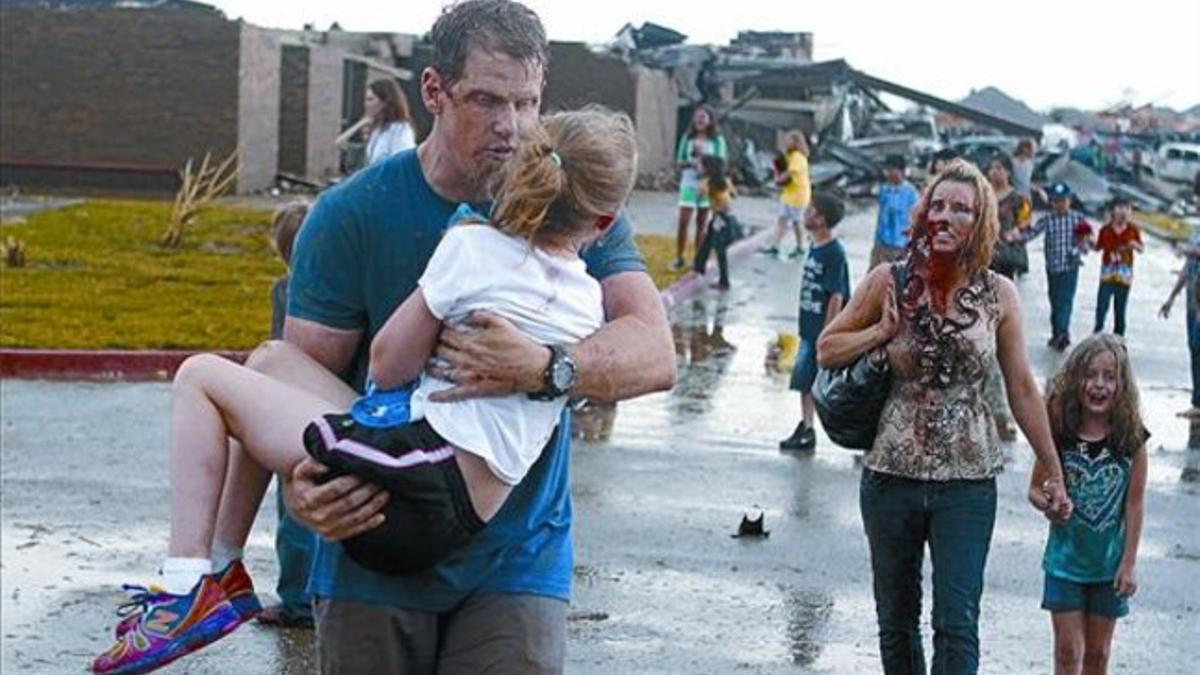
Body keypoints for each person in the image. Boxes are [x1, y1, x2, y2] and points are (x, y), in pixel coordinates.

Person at [90, 107, 641, 675]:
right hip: (465, 494)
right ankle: (224, 573)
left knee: (201, 377)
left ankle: (187, 584)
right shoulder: (588, 304)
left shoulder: (473, 248)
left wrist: (443, 291)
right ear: (603, 223)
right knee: (270, 360)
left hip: (419, 484)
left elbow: (387, 366)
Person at [270, 2, 675, 672]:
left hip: (516, 557)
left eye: (527, 102)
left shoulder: (569, 204)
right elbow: (298, 379)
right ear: (434, 90)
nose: (512, 128)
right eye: (487, 100)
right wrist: (301, 485)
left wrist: (548, 367)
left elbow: (655, 352)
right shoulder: (349, 216)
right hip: (373, 538)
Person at [817, 159, 1073, 674]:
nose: (948, 216)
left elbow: (1021, 385)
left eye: (962, 208)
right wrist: (878, 333)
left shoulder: (999, 293)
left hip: (968, 482)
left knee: (957, 624)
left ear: (980, 222)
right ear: (923, 213)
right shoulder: (888, 279)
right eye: (939, 205)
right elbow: (827, 348)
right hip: (891, 475)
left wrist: (1052, 467)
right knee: (896, 621)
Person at [1029, 334, 1147, 675]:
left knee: (1098, 655)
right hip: (1064, 563)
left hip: (1108, 567)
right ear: (1075, 378)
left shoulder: (1131, 437)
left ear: (1122, 384)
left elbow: (1135, 504)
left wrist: (1128, 564)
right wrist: (1048, 504)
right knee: (1067, 653)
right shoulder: (1061, 430)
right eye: (1090, 375)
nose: (1099, 385)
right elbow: (1035, 489)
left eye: (1109, 377)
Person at [264, 202, 318, 628]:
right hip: (326, 403)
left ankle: (297, 600)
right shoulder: (334, 287)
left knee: (293, 511)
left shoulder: (284, 289)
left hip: (289, 406)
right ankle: (318, 596)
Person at [779, 191, 849, 451]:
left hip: (820, 330)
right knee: (804, 380)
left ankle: (842, 432)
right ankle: (806, 427)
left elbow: (837, 294)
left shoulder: (834, 252)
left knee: (821, 384)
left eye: (809, 210)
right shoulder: (815, 245)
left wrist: (828, 332)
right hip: (808, 327)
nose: (805, 214)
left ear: (820, 219)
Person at [1009, 182, 1093, 351]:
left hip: (1070, 266)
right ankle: (1056, 333)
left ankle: (1063, 332)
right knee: (1054, 300)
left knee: (1065, 300)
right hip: (1052, 267)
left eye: (1063, 200)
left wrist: (1079, 249)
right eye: (1056, 201)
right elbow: (1032, 233)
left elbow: (1086, 240)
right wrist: (1016, 237)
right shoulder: (1048, 220)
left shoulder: (1077, 219)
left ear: (1069, 200)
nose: (1059, 204)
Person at [671, 105, 727, 270]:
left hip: (707, 185)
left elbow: (721, 163)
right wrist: (690, 163)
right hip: (689, 182)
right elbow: (678, 162)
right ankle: (679, 257)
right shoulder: (687, 139)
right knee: (683, 221)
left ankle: (698, 259)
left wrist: (705, 162)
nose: (700, 120)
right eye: (697, 117)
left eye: (703, 117)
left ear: (710, 120)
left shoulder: (717, 140)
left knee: (701, 223)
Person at [1159, 212, 1200, 419]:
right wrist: (1171, 297)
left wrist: (1193, 251)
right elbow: (1187, 268)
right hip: (1193, 296)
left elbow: (1193, 255)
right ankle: (1197, 402)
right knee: (1194, 347)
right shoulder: (1196, 232)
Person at [1091, 197, 1144, 336]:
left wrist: (1134, 244)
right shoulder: (1105, 230)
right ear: (1113, 211)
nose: (1123, 212)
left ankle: (1119, 336)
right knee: (1102, 304)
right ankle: (1098, 329)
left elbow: (1141, 248)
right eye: (1120, 208)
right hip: (1107, 273)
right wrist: (1087, 241)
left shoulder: (1133, 230)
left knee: (1120, 308)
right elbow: (1097, 246)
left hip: (1124, 275)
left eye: (1127, 209)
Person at [335, 78, 417, 168]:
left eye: (370, 99)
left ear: (385, 102)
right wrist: (362, 123)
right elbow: (339, 143)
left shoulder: (399, 130)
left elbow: (404, 163)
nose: (366, 104)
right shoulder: (377, 130)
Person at [760, 131, 811, 259]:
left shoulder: (798, 157)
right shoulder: (790, 156)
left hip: (798, 195)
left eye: (788, 140)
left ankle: (800, 247)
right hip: (789, 193)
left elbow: (790, 173)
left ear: (796, 142)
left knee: (796, 222)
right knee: (782, 220)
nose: (785, 143)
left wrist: (778, 179)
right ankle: (775, 246)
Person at [691, 155, 737, 290]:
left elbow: (698, 195)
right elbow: (735, 195)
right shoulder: (725, 181)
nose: (697, 168)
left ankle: (724, 281)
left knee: (719, 249)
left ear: (707, 168)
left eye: (700, 165)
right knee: (707, 243)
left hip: (720, 218)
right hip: (726, 217)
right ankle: (698, 267)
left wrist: (700, 187)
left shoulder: (707, 182)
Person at [869, 153, 920, 270]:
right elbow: (881, 218)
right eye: (887, 170)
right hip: (881, 245)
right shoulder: (884, 190)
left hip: (900, 246)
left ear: (900, 171)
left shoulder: (911, 193)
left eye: (891, 169)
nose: (888, 173)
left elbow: (914, 221)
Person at [987, 152, 1032, 279]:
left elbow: (1027, 220)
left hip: (1005, 253)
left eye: (998, 168)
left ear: (1008, 172)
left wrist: (1016, 230)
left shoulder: (1017, 198)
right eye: (991, 168)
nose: (994, 172)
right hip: (984, 252)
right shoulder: (982, 196)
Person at [1012, 138, 1047, 205]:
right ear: (1024, 149)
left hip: (1026, 197)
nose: (1034, 151)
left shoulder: (1029, 164)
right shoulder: (1013, 162)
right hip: (1015, 197)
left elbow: (1026, 182)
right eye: (1033, 148)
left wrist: (1039, 190)